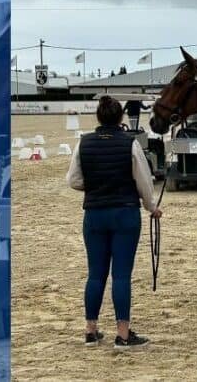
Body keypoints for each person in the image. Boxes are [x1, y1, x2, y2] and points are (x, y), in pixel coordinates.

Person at [66, 95, 161, 349]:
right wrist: (152, 208)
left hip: (94, 213)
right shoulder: (130, 143)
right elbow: (143, 182)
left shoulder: (83, 142)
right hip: (124, 213)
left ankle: (90, 330)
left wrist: (95, 187)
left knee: (95, 274)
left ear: (98, 117)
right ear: (121, 117)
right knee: (121, 275)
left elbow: (73, 180)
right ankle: (123, 334)